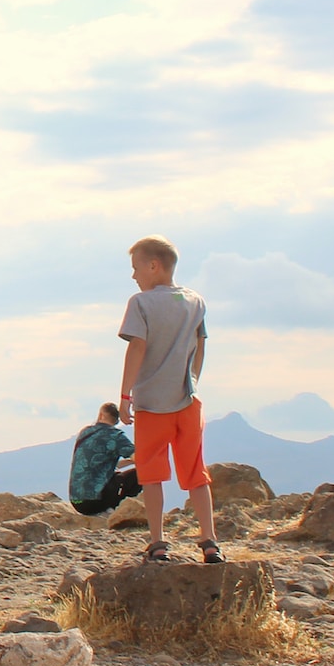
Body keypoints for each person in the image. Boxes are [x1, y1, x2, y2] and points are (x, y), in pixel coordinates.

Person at [116, 236, 221, 562]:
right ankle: (209, 542)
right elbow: (201, 343)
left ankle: (158, 542)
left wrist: (125, 396)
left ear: (153, 266)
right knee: (195, 472)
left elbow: (137, 347)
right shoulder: (195, 301)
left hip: (151, 404)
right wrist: (193, 381)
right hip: (188, 400)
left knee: (151, 474)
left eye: (136, 268)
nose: (134, 276)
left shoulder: (141, 303)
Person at [68, 401, 142, 517]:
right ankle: (116, 509)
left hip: (77, 502)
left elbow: (104, 465)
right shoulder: (115, 436)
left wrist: (131, 461)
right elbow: (140, 460)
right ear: (117, 420)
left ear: (101, 415)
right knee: (142, 472)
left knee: (116, 474)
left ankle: (109, 508)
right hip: (96, 502)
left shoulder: (85, 433)